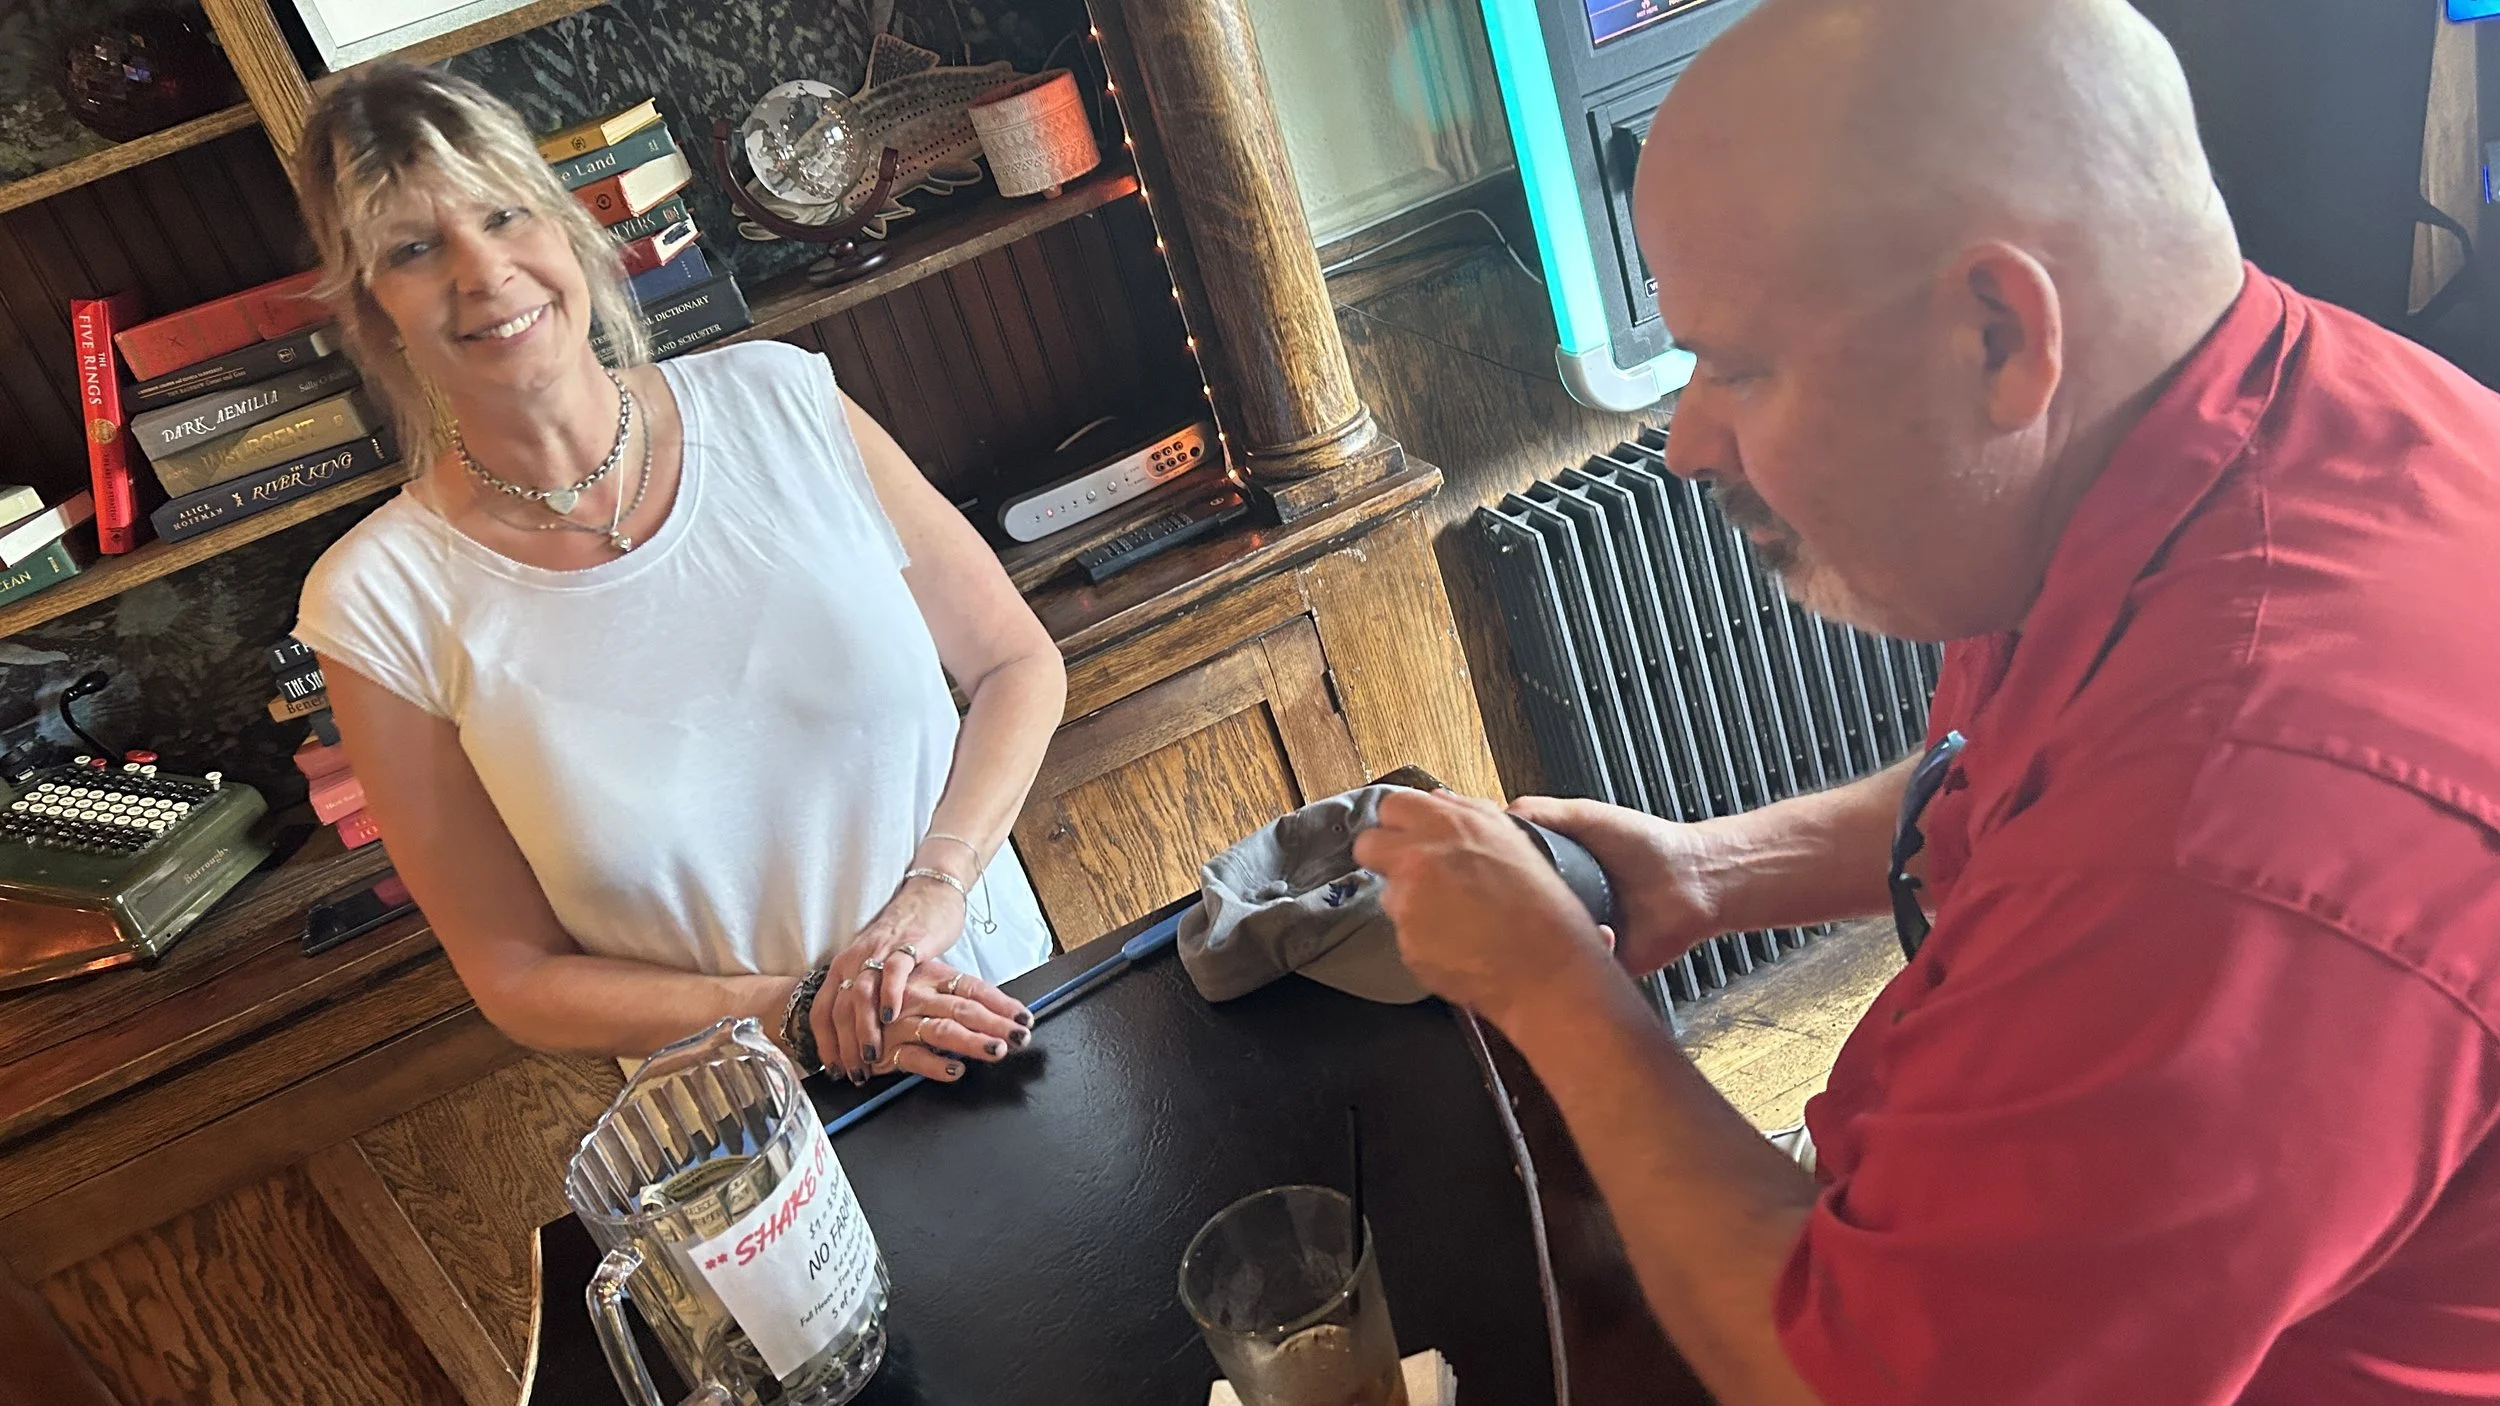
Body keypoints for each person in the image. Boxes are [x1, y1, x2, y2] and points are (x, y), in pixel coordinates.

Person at [1355, 0, 2500, 1401]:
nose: (1686, 443)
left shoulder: (2225, 840)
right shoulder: (2238, 400)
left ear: (1999, 332)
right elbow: (2020, 773)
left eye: (1741, 365)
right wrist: (1712, 871)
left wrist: (1555, 989)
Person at [288, 64, 1064, 1087]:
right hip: (754, 1118)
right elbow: (515, 974)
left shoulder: (783, 401)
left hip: (997, 1013)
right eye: (415, 249)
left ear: (570, 227)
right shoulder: (375, 601)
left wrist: (937, 886)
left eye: (504, 214)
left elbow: (1016, 664)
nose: (484, 272)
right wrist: (797, 1012)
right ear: (375, 312)